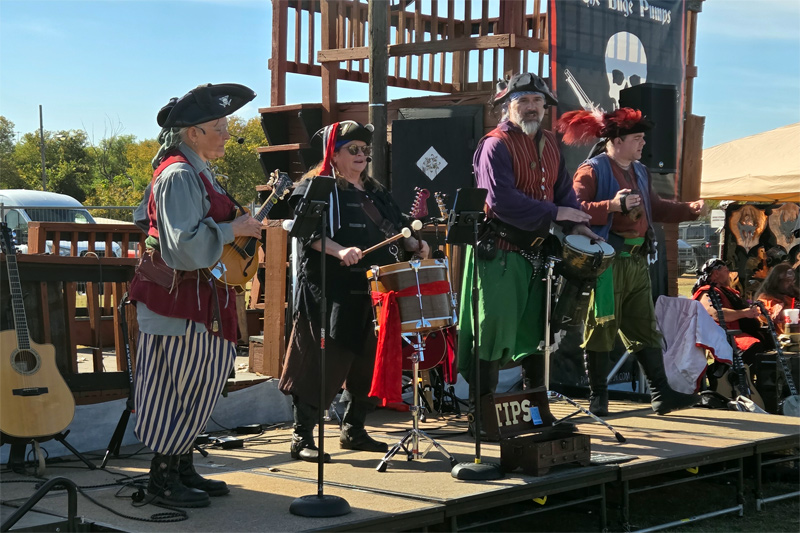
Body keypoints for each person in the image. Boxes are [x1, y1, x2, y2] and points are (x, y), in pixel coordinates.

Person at [128, 83, 263, 507]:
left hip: (195, 298)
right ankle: (163, 479)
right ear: (193, 133)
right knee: (175, 387)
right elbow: (184, 246)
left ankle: (181, 466)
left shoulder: (194, 170)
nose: (227, 133)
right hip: (177, 302)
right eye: (219, 126)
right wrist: (232, 229)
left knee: (196, 383)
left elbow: (151, 220)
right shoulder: (179, 174)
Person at [278, 120, 429, 463]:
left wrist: (415, 244)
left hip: (376, 290)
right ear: (334, 154)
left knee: (368, 362)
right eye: (353, 149)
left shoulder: (376, 191)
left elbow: (399, 226)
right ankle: (302, 437)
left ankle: (354, 429)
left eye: (365, 150)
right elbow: (306, 233)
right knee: (322, 363)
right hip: (331, 291)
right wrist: (339, 250)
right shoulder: (315, 187)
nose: (362, 155)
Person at [457, 72, 598, 435]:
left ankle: (537, 413)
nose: (532, 107)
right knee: (492, 332)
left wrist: (576, 223)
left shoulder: (550, 143)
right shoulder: (494, 145)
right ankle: (481, 417)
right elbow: (500, 200)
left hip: (538, 254)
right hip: (499, 253)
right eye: (523, 101)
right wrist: (556, 212)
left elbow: (563, 191)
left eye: (538, 101)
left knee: (540, 332)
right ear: (507, 106)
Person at [559, 107, 706, 416]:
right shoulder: (591, 170)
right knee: (601, 326)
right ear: (617, 141)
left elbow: (656, 208)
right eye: (637, 138)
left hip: (636, 262)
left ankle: (661, 394)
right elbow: (574, 209)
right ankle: (598, 398)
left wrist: (688, 210)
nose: (643, 144)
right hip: (606, 264)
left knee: (645, 327)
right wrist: (612, 206)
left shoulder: (640, 171)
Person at [756, 262, 799, 335]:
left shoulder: (794, 293)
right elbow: (769, 317)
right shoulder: (766, 298)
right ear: (778, 281)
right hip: (785, 334)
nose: (791, 283)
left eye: (792, 280)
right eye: (787, 281)